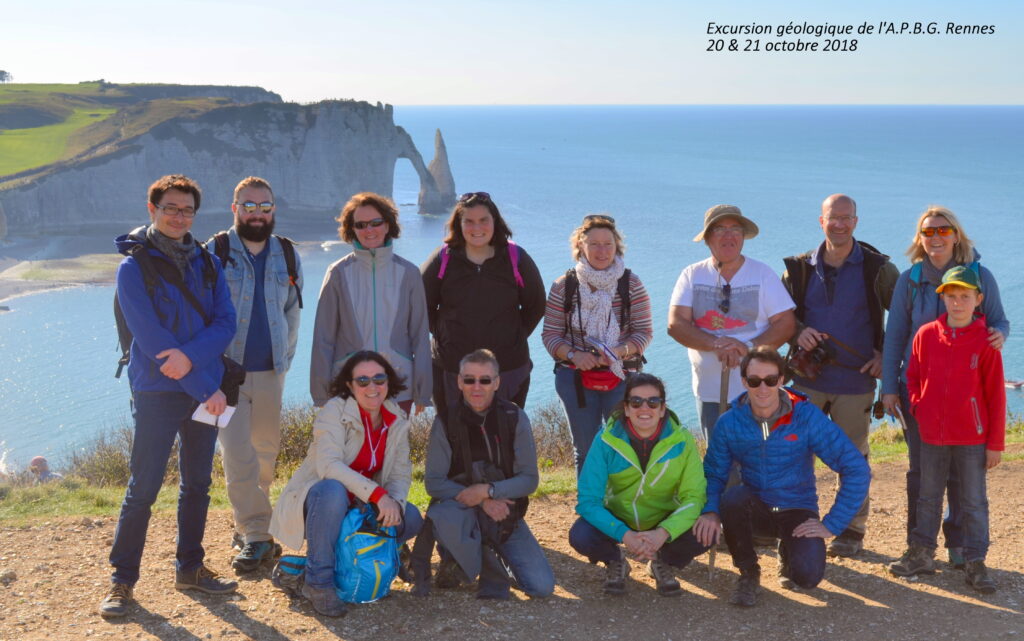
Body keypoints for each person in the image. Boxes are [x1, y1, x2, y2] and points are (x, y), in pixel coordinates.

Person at [100, 175, 238, 618]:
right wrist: (204, 385)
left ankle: (190, 569)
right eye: (171, 208)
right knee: (143, 487)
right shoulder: (132, 268)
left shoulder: (208, 262)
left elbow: (225, 323)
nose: (179, 217)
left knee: (197, 484)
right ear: (152, 209)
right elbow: (150, 337)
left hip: (203, 389)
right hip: (160, 391)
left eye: (187, 210)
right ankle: (122, 581)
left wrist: (190, 361)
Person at [881, 206, 1008, 570]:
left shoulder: (979, 276)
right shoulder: (909, 280)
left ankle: (960, 544)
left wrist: (999, 336)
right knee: (922, 474)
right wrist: (890, 388)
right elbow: (895, 337)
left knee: (960, 478)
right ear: (919, 238)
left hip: (965, 403)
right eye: (928, 231)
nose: (935, 237)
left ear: (956, 235)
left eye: (943, 230)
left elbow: (999, 322)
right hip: (921, 396)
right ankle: (919, 546)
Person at [693, 347, 870, 607]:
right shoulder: (729, 422)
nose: (763, 388)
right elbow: (714, 474)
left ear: (781, 380)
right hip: (755, 507)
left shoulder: (806, 416)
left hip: (797, 508)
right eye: (754, 381)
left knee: (807, 578)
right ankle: (748, 572)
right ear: (744, 382)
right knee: (732, 498)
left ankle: (787, 549)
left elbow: (856, 468)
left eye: (770, 380)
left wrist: (832, 524)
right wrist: (710, 511)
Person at [781, 193, 899, 557]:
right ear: (822, 221)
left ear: (856, 222)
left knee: (853, 460)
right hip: (806, 381)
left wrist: (886, 356)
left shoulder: (878, 269)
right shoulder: (798, 269)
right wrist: (798, 330)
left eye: (847, 218)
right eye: (833, 217)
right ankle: (795, 526)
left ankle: (851, 529)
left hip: (855, 382)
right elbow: (779, 316)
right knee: (793, 457)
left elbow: (906, 315)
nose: (840, 224)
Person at [270, 351, 423, 617]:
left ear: (388, 382)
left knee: (409, 516)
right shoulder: (334, 411)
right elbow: (328, 466)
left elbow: (400, 474)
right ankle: (318, 582)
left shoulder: (396, 417)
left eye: (379, 379)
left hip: (359, 506)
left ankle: (382, 558)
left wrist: (393, 504)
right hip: (320, 505)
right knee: (332, 490)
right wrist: (378, 495)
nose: (372, 386)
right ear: (350, 386)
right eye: (362, 381)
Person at [206, 176, 303, 572]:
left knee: (265, 451)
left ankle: (248, 523)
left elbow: (292, 311)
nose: (257, 213)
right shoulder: (215, 251)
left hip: (271, 373)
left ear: (273, 209)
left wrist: (285, 362)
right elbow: (201, 312)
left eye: (264, 206)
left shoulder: (287, 253)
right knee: (236, 454)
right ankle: (258, 534)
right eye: (249, 206)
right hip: (227, 374)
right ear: (235, 209)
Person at [422, 348, 555, 600]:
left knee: (541, 587)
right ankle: (454, 556)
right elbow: (434, 483)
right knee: (444, 516)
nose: (476, 387)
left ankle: (492, 560)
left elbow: (529, 479)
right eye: (469, 379)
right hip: (461, 512)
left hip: (504, 514)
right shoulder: (445, 421)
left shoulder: (515, 417)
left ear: (497, 383)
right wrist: (481, 501)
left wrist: (489, 491)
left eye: (485, 380)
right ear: (459, 382)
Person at [570, 373, 710, 596]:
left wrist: (664, 532)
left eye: (653, 402)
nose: (644, 408)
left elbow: (694, 496)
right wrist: (624, 534)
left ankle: (663, 561)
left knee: (707, 531)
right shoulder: (606, 440)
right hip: (619, 516)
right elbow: (588, 501)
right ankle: (615, 560)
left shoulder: (682, 440)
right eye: (636, 402)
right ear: (626, 408)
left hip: (663, 517)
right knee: (581, 535)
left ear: (662, 409)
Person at [668, 204, 796, 441]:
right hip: (708, 391)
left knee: (759, 454)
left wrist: (748, 348)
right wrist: (716, 344)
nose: (728, 236)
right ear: (708, 238)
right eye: (720, 230)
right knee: (717, 456)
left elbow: (786, 323)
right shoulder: (692, 275)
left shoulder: (762, 274)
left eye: (735, 229)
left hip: (759, 390)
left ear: (743, 236)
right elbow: (676, 324)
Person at [542, 214, 653, 474]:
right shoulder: (564, 286)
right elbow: (550, 335)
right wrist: (574, 355)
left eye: (608, 244)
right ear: (580, 246)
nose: (602, 251)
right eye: (594, 244)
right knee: (586, 449)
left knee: (623, 447)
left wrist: (618, 352)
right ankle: (590, 500)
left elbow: (644, 332)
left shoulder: (631, 284)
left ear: (617, 247)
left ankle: (622, 499)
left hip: (621, 375)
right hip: (575, 378)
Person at [421, 192, 546, 422]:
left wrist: (513, 337)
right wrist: (444, 335)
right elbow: (421, 305)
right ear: (459, 225)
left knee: (505, 435)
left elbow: (536, 305)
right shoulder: (443, 259)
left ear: (495, 221)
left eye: (483, 220)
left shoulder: (516, 258)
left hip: (507, 369)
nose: (476, 228)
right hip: (451, 369)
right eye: (469, 221)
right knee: (452, 434)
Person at [310, 192, 431, 415]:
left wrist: (423, 391)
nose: (369, 230)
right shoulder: (337, 273)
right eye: (361, 224)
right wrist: (321, 392)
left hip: (398, 385)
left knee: (394, 440)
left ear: (388, 225)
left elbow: (420, 336)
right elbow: (323, 338)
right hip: (350, 386)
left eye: (376, 222)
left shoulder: (409, 273)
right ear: (352, 229)